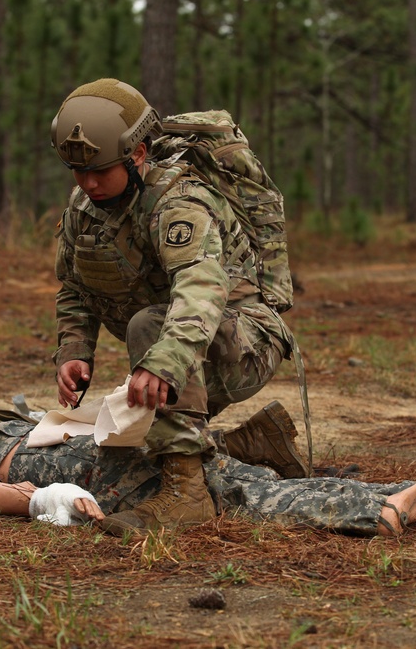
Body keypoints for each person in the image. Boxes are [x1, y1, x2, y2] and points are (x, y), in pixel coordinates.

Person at [48, 78, 297, 534]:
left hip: (246, 341)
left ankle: (188, 497)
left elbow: (201, 291)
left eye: (100, 170)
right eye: (77, 171)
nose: (88, 182)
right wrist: (74, 351)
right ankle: (253, 446)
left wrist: (162, 362)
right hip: (179, 345)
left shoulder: (179, 202)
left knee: (149, 327)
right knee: (129, 451)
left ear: (137, 154)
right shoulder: (85, 205)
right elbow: (73, 287)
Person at [0, 406, 416, 537]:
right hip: (60, 469)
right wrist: (38, 501)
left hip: (70, 443)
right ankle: (381, 507)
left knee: (229, 477)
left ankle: (394, 499)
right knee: (229, 490)